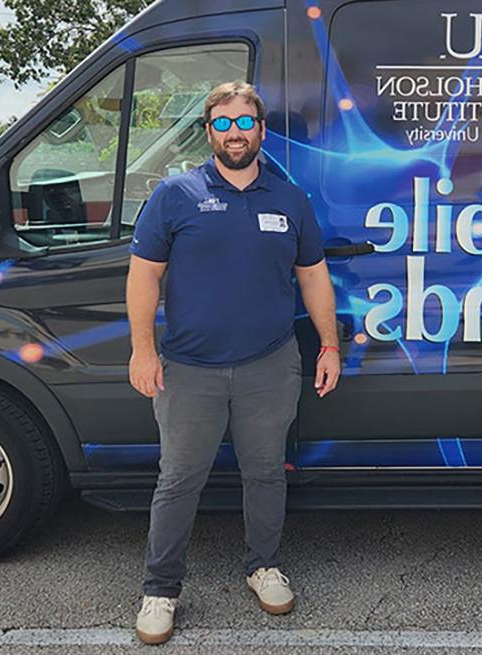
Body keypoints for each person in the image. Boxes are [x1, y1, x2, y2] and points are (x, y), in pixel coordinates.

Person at [124, 81, 342, 645]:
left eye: (245, 122)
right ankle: (160, 589)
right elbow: (144, 274)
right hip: (188, 371)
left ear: (261, 131)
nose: (235, 133)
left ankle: (262, 566)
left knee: (266, 473)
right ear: (208, 132)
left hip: (269, 365)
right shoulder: (175, 194)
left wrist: (329, 344)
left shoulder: (289, 199)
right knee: (178, 480)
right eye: (222, 124)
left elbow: (313, 274)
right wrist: (143, 349)